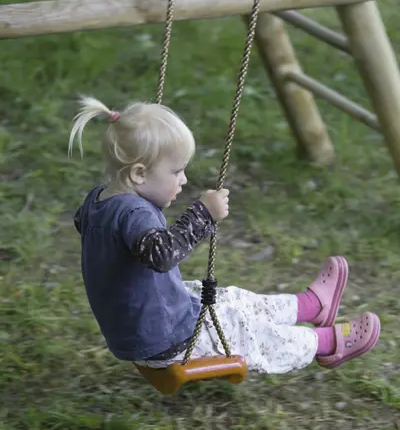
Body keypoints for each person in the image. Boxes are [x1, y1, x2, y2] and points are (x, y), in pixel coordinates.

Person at [71, 96, 380, 374]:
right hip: (166, 337)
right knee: (244, 330)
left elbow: (96, 233)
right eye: (176, 171)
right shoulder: (133, 213)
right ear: (139, 174)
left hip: (146, 320)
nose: (184, 179)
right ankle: (327, 342)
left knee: (231, 300)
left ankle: (310, 306)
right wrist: (203, 213)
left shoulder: (97, 200)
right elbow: (163, 255)